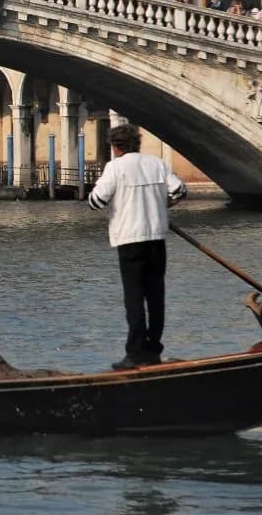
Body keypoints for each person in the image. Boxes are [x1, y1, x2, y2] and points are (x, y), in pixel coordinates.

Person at [88, 123, 187, 370]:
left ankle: (134, 354)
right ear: (137, 144)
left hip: (129, 240)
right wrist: (162, 205)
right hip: (156, 237)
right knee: (155, 296)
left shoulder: (115, 168)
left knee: (134, 298)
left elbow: (96, 201)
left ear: (115, 147)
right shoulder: (156, 163)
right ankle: (153, 350)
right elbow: (180, 191)